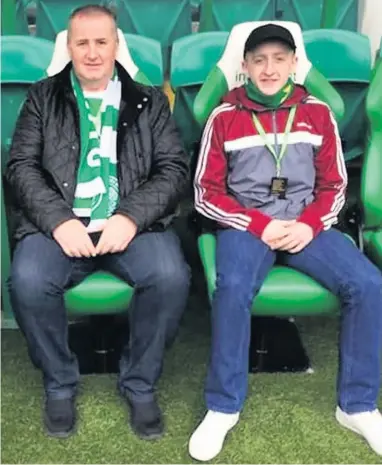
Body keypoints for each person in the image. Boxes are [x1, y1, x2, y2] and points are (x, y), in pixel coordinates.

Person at [190, 24, 382, 461]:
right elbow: (206, 191)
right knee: (233, 287)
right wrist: (257, 224)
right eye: (259, 60)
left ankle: (357, 405)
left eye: (279, 59)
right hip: (247, 226)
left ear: (295, 64)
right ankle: (223, 406)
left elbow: (334, 185)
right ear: (245, 67)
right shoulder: (225, 115)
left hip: (304, 226)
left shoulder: (316, 112)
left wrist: (310, 225)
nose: (269, 68)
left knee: (369, 284)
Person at [6, 4, 190, 440]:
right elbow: (21, 167)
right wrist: (58, 220)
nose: (92, 53)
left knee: (170, 278)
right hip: (62, 226)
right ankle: (60, 382)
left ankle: (140, 382)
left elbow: (173, 169)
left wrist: (130, 216)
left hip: (131, 225)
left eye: (101, 42)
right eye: (82, 43)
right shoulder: (42, 98)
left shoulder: (147, 99)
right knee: (28, 281)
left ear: (115, 46)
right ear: (68, 47)